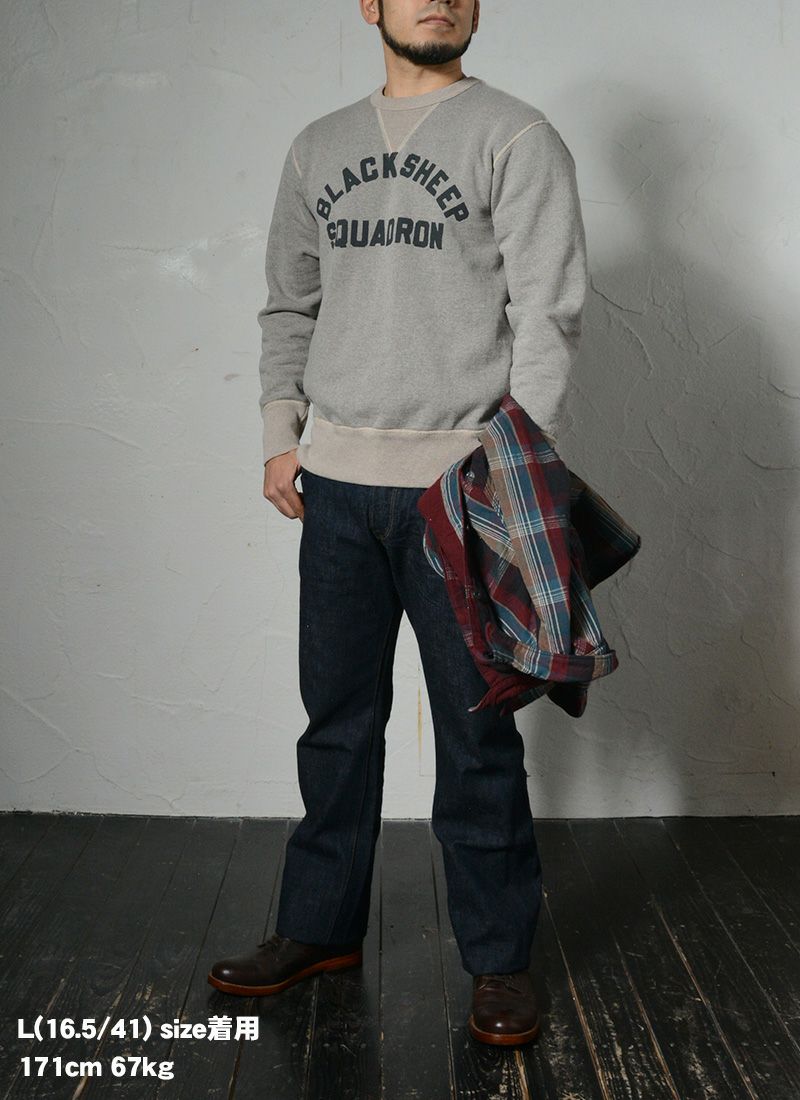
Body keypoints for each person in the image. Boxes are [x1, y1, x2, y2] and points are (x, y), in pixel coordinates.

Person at [209, 0, 587, 1047]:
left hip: (458, 487)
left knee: (475, 733)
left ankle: (498, 959)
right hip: (334, 484)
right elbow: (288, 304)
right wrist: (280, 432)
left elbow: (548, 313)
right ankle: (319, 926)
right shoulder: (318, 146)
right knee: (335, 719)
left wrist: (511, 466)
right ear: (369, 4)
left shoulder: (515, 135)